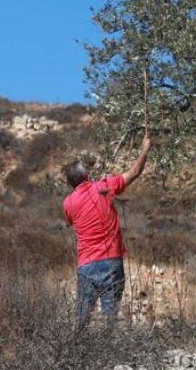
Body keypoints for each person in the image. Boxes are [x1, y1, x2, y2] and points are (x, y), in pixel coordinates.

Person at [62, 131, 153, 325]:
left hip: (86, 265)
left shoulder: (68, 203)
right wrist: (144, 150)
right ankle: (109, 352)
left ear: (70, 183)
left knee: (81, 321)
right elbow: (135, 173)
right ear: (86, 175)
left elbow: (70, 222)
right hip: (112, 262)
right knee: (109, 321)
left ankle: (77, 352)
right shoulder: (104, 187)